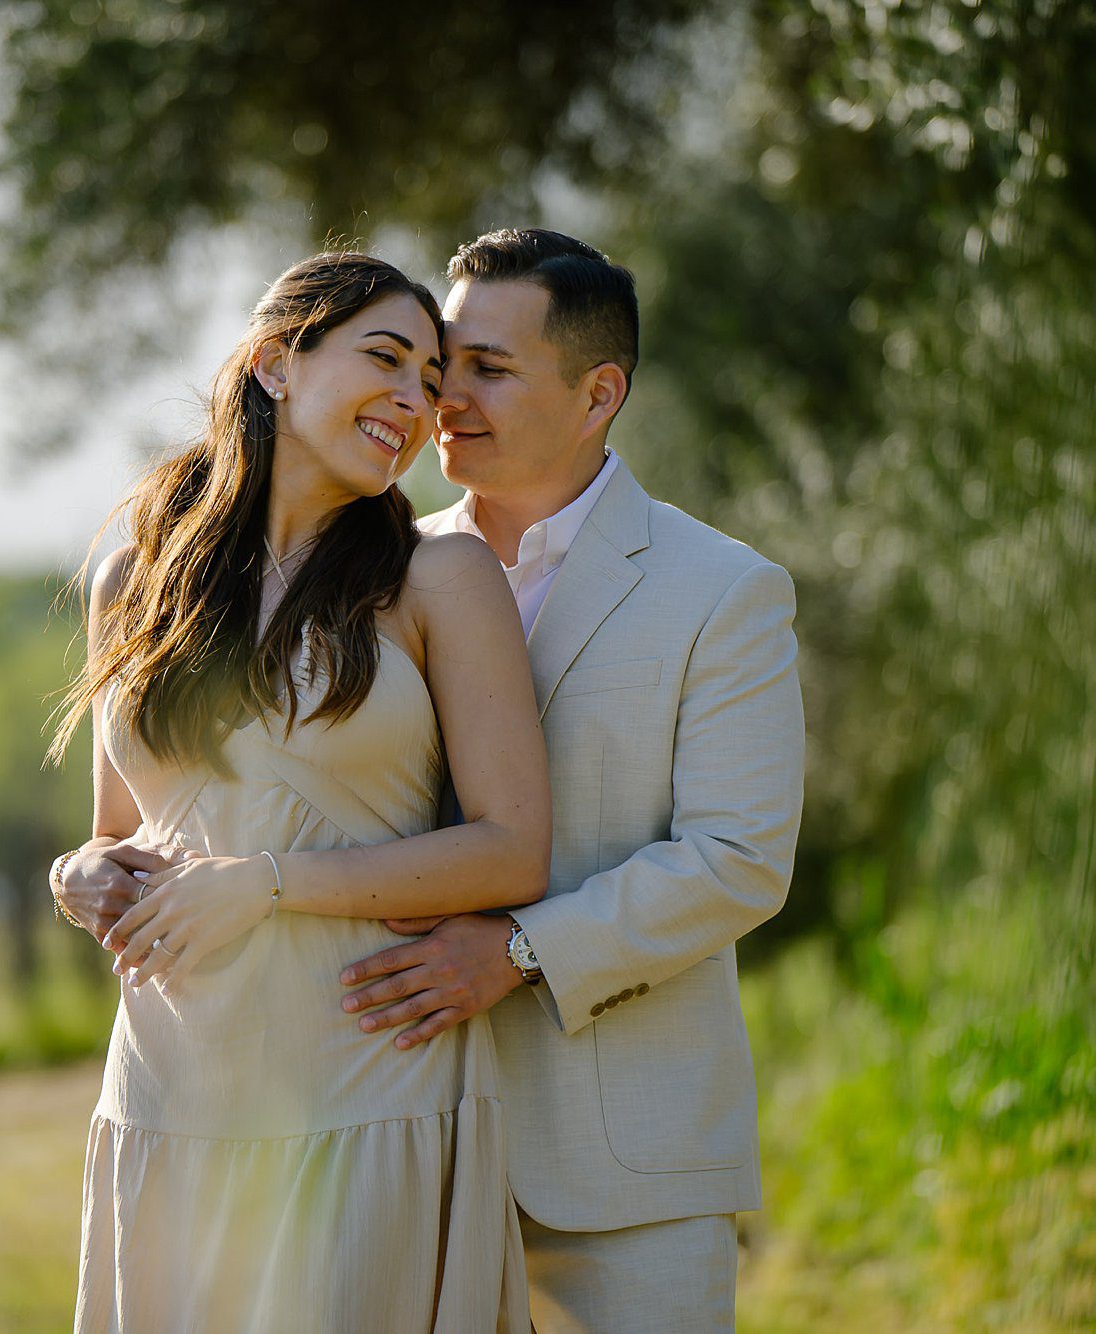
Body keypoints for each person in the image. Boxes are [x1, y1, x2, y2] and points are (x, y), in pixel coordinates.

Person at [46, 251, 548, 1332]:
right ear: (276, 363)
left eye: (431, 377)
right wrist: (77, 874)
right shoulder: (132, 580)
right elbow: (115, 834)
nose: (416, 401)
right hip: (170, 1090)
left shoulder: (439, 578)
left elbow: (512, 849)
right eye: (386, 359)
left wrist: (268, 884)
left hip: (366, 1086)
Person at [336, 229, 806, 1331]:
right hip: (398, 1149)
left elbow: (736, 861)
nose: (444, 396)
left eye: (488, 368)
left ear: (598, 394)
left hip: (625, 1178)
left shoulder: (723, 591)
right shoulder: (368, 581)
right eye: (443, 364)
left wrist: (515, 949)